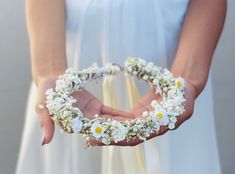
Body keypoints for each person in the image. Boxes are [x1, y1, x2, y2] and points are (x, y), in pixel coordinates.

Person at [15, 0, 226, 173]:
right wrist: (50, 72)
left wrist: (186, 77)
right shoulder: (61, 87)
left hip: (177, 59)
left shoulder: (175, 88)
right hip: (68, 68)